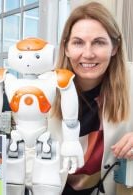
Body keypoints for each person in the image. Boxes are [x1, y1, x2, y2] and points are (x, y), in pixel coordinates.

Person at [49, 2, 133, 195]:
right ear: (66, 48)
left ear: (114, 47)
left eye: (99, 42)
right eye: (78, 42)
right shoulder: (46, 88)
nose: (88, 54)